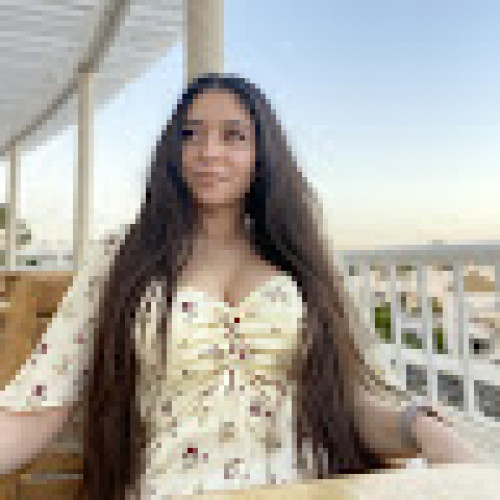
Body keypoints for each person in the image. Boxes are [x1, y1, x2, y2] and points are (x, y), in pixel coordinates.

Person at [0, 74, 476, 499]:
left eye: (234, 135)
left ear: (261, 155)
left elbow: (344, 403)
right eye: (191, 134)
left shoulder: (301, 258)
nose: (209, 152)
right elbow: (42, 401)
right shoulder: (121, 257)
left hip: (305, 489)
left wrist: (422, 427)